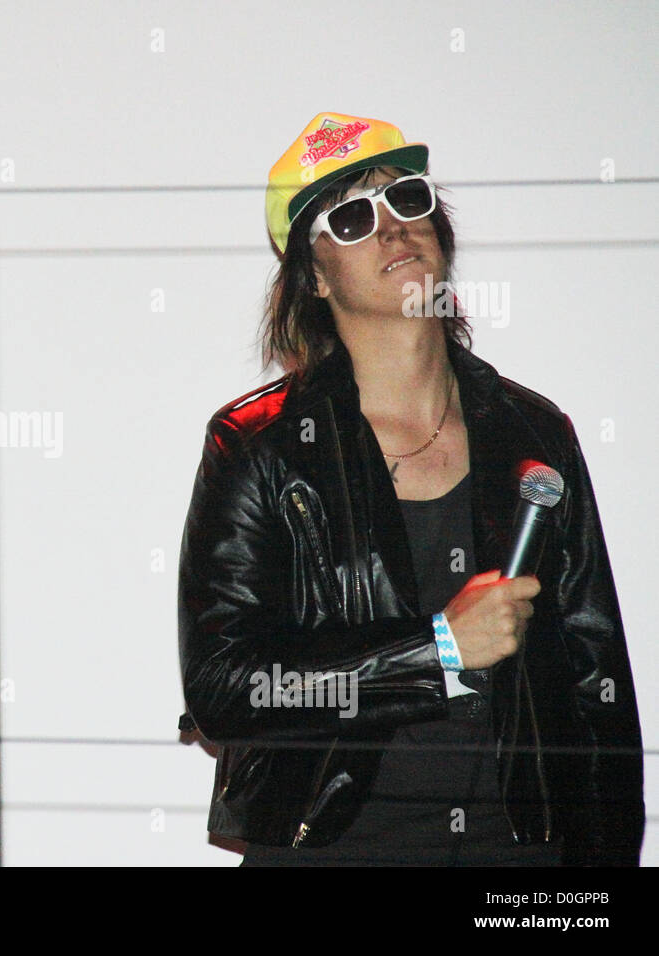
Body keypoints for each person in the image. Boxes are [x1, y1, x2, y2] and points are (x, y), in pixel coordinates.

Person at [177, 112, 644, 866]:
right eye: (354, 216)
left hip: (520, 856)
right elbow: (226, 692)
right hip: (335, 847)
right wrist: (438, 653)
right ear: (314, 276)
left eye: (410, 199)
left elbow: (599, 687)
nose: (393, 226)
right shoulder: (257, 445)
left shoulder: (533, 432)